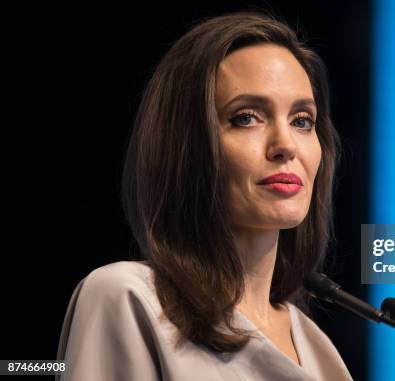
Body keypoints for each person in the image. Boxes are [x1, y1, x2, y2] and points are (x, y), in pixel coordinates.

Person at [55, 11, 353, 381]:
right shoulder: (129, 297)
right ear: (185, 146)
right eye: (246, 117)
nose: (285, 146)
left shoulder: (316, 346)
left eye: (302, 121)